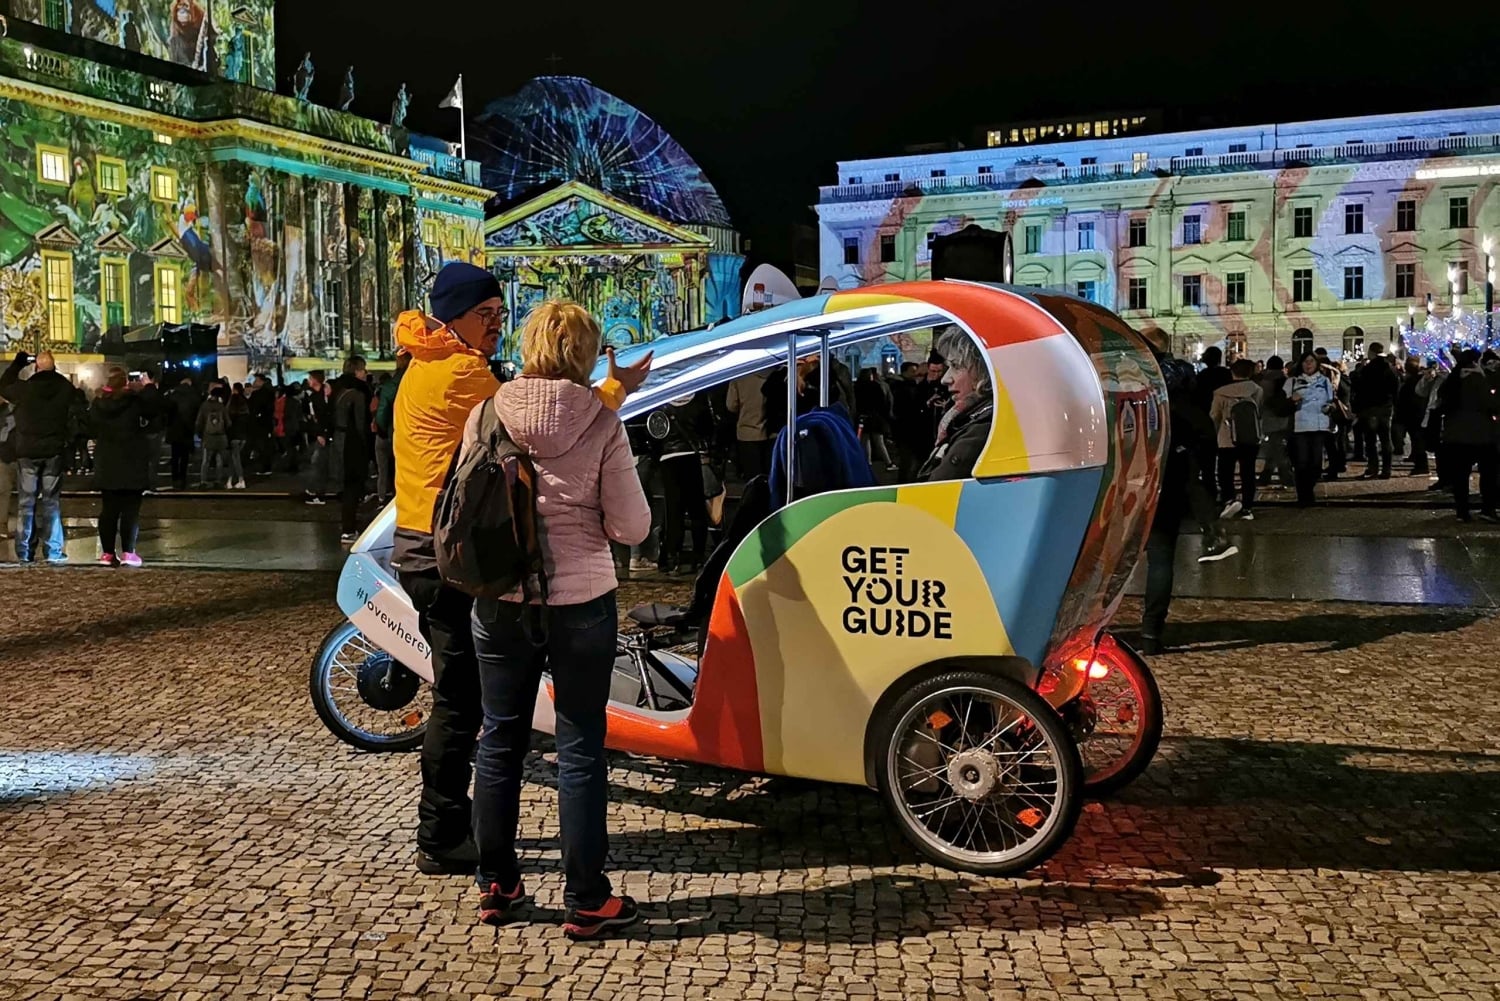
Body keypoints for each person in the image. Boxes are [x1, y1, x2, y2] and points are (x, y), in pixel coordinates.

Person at [392, 262, 648, 878]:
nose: (494, 326)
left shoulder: (424, 364)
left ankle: (491, 870)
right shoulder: (463, 375)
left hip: (425, 540)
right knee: (462, 706)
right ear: (452, 316)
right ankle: (442, 833)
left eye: (502, 316)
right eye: (485, 315)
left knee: (490, 718)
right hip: (454, 553)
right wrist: (611, 397)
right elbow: (538, 429)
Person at [464, 301, 652, 940]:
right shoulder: (603, 424)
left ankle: (497, 883)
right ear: (588, 356)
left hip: (500, 599)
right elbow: (633, 527)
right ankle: (587, 898)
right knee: (578, 747)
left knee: (500, 739)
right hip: (580, 605)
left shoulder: (487, 413)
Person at [0, 351, 85, 563]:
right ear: (54, 367)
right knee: (51, 502)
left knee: (26, 502)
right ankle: (53, 550)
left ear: (36, 368)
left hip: (28, 451)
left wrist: (18, 363)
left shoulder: (26, 389)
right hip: (53, 451)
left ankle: (24, 550)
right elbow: (78, 411)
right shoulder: (65, 388)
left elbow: (4, 385)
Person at [91, 368, 159, 566]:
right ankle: (129, 552)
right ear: (127, 383)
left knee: (109, 510)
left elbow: (91, 425)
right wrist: (148, 387)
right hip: (131, 460)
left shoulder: (98, 404)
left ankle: (107, 553)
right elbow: (156, 410)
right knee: (130, 510)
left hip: (107, 460)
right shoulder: (134, 401)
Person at [649, 391, 714, 576]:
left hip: (668, 458)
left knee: (673, 511)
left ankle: (672, 558)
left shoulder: (661, 401)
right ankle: (698, 557)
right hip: (692, 456)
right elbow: (707, 428)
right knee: (696, 510)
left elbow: (654, 433)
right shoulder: (699, 397)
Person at [918, 327, 994, 482]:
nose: (945, 379)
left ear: (984, 371)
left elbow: (935, 488)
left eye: (956, 366)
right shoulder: (967, 419)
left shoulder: (981, 428)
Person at [1435, 348, 1498, 522]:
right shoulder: (1478, 379)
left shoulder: (1453, 379)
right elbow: (1490, 403)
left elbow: (1441, 400)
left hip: (1455, 433)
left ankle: (1462, 511)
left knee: (1460, 475)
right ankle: (1488, 509)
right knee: (1488, 473)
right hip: (1481, 433)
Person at [1209, 358, 1262, 521]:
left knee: (1225, 472)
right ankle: (1247, 507)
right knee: (1248, 472)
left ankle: (1229, 500)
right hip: (1250, 437)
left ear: (1232, 372)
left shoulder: (1220, 392)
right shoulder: (1256, 390)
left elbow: (1214, 416)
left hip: (1226, 437)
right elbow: (1259, 410)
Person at [331, 356, 373, 542]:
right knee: (354, 487)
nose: (366, 373)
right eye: (363, 370)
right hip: (353, 445)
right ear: (357, 371)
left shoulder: (337, 391)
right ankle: (349, 528)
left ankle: (347, 526)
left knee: (347, 486)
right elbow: (361, 424)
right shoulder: (358, 394)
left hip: (340, 441)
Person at [1287, 352, 1335, 507]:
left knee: (1315, 464)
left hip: (1319, 426)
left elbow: (1330, 399)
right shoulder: (1292, 381)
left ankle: (1307, 490)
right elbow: (1281, 404)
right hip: (1300, 426)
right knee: (1301, 463)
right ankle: (1304, 496)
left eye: (1311, 361)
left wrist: (1330, 407)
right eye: (1305, 361)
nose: (1308, 364)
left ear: (1317, 364)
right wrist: (1291, 401)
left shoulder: (1325, 381)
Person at [1352, 342, 1399, 479]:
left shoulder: (1368, 369)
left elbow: (1360, 388)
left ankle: (1373, 468)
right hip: (1386, 407)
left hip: (1370, 408)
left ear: (1371, 352)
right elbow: (1395, 389)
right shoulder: (1390, 368)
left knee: (1371, 440)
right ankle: (1386, 470)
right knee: (1385, 439)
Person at [1192, 346, 1232, 491]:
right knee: (1224, 458)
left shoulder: (1202, 376)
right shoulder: (1226, 374)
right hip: (1225, 419)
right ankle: (1226, 490)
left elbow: (1196, 397)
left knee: (1208, 460)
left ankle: (1211, 490)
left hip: (1206, 419)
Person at [373, 350, 409, 505]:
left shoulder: (390, 386)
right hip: (416, 434)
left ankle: (385, 498)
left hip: (393, 431)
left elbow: (382, 413)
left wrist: (382, 430)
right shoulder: (419, 380)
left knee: (386, 468)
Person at [723, 370, 770, 482]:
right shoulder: (778, 373)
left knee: (753, 480)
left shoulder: (739, 376)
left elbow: (731, 405)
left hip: (747, 433)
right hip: (771, 433)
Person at [1255, 356, 1295, 488]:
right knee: (1278, 448)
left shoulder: (1261, 380)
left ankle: (1266, 475)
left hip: (1267, 417)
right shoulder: (1284, 380)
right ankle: (1286, 477)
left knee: (1275, 447)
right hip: (1283, 417)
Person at [855, 367, 896, 472]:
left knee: (865, 440)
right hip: (875, 416)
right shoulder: (875, 386)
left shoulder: (857, 386)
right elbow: (882, 402)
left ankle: (867, 462)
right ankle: (888, 462)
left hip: (862, 416)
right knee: (879, 441)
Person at [1397, 356, 1431, 476]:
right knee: (1415, 439)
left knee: (1418, 439)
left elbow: (1409, 398)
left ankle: (1421, 465)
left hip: (1414, 413)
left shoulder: (1413, 381)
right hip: (1415, 412)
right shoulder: (1416, 380)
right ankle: (1417, 459)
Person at [302, 370, 332, 505]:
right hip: (321, 434)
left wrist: (321, 433)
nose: (309, 381)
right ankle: (315, 491)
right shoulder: (318, 396)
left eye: (310, 378)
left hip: (322, 434)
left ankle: (315, 492)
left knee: (318, 464)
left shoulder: (318, 397)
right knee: (318, 463)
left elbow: (319, 417)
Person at [165, 376, 199, 490]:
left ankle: (175, 479)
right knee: (185, 457)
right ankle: (183, 480)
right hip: (187, 430)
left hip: (175, 429)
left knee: (175, 456)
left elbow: (168, 412)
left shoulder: (173, 395)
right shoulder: (193, 396)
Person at [196, 385, 231, 488]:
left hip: (208, 436)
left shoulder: (204, 406)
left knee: (206, 460)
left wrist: (200, 433)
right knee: (219, 460)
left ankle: (203, 481)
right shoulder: (222, 407)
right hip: (220, 437)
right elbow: (228, 423)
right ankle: (218, 480)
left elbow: (198, 422)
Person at [248, 373, 276, 475]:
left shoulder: (260, 394)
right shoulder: (269, 393)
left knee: (262, 446)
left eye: (256, 380)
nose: (254, 382)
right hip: (266, 423)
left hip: (260, 424)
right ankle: (265, 466)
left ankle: (263, 467)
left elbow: (253, 408)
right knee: (264, 445)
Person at [226, 389, 250, 489]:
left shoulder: (230, 413)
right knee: (234, 459)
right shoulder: (245, 413)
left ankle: (241, 480)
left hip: (234, 437)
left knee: (235, 459)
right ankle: (229, 481)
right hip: (243, 437)